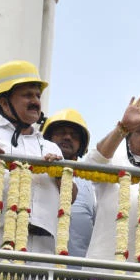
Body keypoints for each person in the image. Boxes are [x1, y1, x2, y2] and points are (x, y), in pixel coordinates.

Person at [0, 60, 63, 254]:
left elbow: (71, 197)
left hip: (44, 248)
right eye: (27, 95)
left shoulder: (51, 147)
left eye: (37, 95)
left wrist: (61, 175)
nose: (35, 101)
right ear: (3, 101)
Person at [83, 97, 140, 263]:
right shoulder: (114, 163)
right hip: (105, 272)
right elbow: (92, 163)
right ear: (128, 137)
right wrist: (122, 128)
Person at [42, 108, 96, 258]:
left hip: (78, 275)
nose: (67, 137)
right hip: (36, 271)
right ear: (48, 137)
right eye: (61, 132)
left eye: (74, 135)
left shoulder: (91, 182)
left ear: (81, 145)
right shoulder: (35, 170)